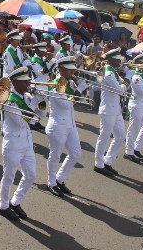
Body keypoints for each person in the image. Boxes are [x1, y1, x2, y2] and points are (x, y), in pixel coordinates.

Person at [0, 66, 42, 221]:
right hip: (13, 144)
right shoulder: (9, 100)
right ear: (15, 82)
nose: (28, 84)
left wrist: (40, 104)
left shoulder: (26, 97)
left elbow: (38, 118)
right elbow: (20, 121)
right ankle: (3, 206)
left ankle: (15, 201)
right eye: (25, 82)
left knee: (30, 175)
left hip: (27, 142)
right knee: (9, 176)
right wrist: (34, 102)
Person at [45, 56, 82, 197]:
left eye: (73, 69)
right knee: (55, 155)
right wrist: (78, 92)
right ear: (61, 69)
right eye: (69, 70)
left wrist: (78, 90)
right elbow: (65, 104)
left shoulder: (70, 83)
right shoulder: (55, 85)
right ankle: (51, 182)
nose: (72, 72)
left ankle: (59, 179)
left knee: (76, 153)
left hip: (70, 124)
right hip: (57, 125)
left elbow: (74, 103)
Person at [93, 48, 128, 177]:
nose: (120, 62)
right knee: (104, 137)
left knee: (120, 136)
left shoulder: (113, 72)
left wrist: (124, 82)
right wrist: (127, 82)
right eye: (118, 60)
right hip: (108, 110)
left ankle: (107, 161)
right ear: (112, 60)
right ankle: (98, 164)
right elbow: (119, 90)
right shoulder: (108, 74)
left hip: (116, 109)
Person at [124, 54, 143, 162]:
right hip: (137, 105)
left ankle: (136, 148)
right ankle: (128, 152)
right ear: (139, 63)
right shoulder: (136, 77)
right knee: (133, 129)